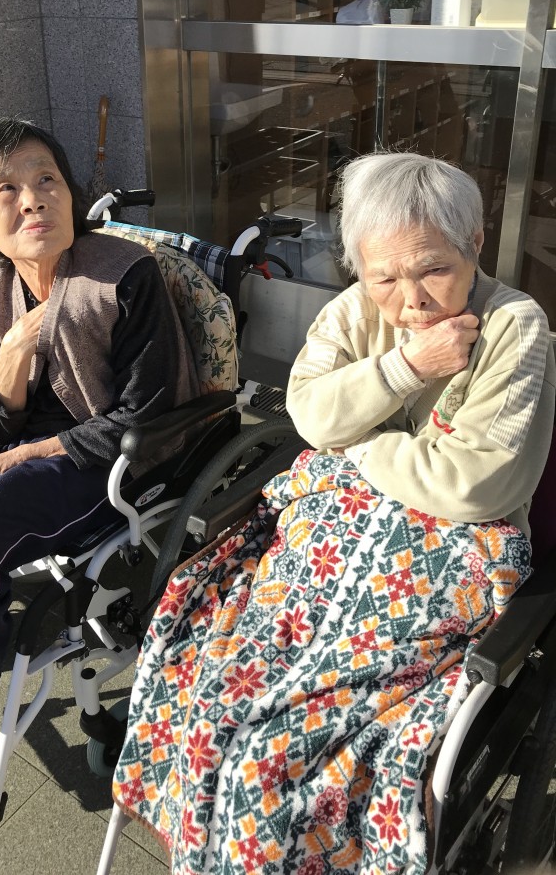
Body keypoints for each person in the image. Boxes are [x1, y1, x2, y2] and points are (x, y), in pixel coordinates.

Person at [111, 152, 554, 875]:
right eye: (384, 278)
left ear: (475, 243)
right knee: (203, 693)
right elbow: (310, 413)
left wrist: (359, 447)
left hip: (445, 563)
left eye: (433, 269)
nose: (411, 300)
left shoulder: (515, 326)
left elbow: (474, 484)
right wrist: (407, 368)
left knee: (275, 764)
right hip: (327, 538)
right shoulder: (354, 310)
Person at [0, 118, 197, 793]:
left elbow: (145, 415)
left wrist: (32, 452)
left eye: (47, 179)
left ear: (70, 194)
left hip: (108, 458)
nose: (33, 198)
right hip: (23, 436)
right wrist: (12, 356)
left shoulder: (125, 276)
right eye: (7, 188)